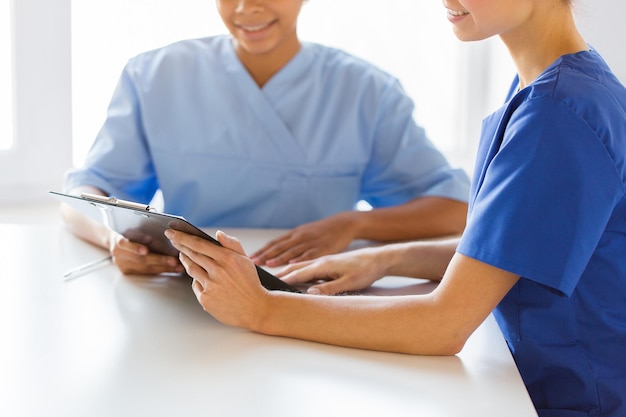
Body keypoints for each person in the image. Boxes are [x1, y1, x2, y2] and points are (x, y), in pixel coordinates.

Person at [164, 0, 626, 415]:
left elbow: (443, 326)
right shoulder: (554, 87)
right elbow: (513, 248)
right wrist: (385, 257)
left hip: (572, 398)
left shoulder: (559, 115)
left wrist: (261, 308)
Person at [61, 0, 470, 275]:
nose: (246, 8)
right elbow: (82, 195)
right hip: (188, 286)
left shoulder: (365, 90)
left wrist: (354, 223)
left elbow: (457, 210)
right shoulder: (154, 77)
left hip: (313, 293)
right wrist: (110, 238)